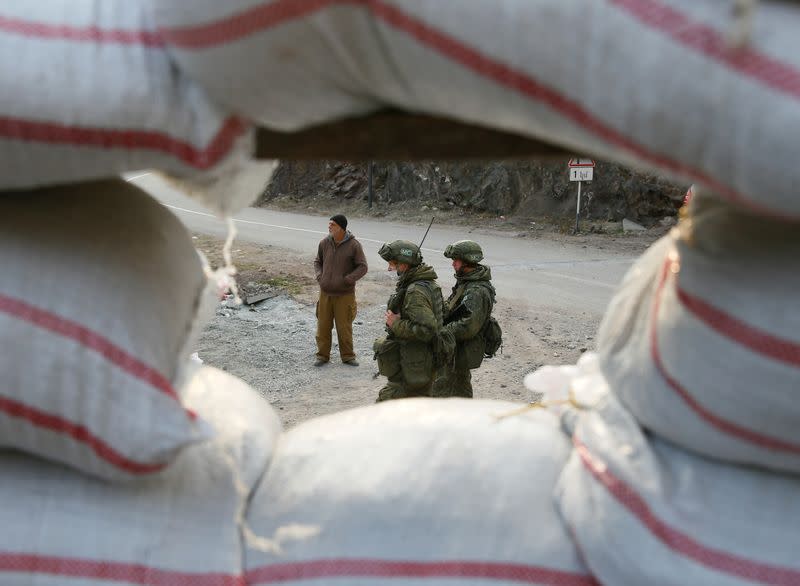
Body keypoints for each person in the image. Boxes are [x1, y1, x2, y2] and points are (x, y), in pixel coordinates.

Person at [373, 240, 444, 402]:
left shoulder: (415, 291)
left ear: (404, 264)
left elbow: (427, 330)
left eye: (392, 263)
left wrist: (395, 324)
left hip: (415, 363)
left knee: (386, 405)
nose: (390, 268)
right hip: (420, 360)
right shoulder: (427, 284)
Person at [432, 240, 495, 398]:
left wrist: (440, 332)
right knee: (458, 390)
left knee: (446, 392)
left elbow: (468, 326)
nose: (453, 264)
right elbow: (453, 308)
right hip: (454, 349)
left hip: (459, 349)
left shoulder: (476, 291)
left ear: (467, 262)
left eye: (456, 260)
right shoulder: (466, 282)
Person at [313, 214, 368, 366]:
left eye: (333, 225)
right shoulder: (324, 243)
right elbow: (318, 262)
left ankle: (348, 356)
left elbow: (363, 267)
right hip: (325, 294)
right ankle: (322, 356)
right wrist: (320, 276)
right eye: (329, 224)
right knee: (323, 326)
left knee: (344, 327)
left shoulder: (354, 245)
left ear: (342, 228)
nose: (329, 227)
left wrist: (349, 279)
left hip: (345, 295)